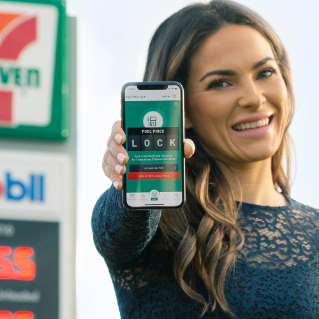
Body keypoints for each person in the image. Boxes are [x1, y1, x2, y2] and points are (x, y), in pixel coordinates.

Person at [92, 1, 319, 318]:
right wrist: (133, 175)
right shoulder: (160, 224)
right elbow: (120, 230)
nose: (254, 98)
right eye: (221, 83)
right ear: (181, 110)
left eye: (265, 72)